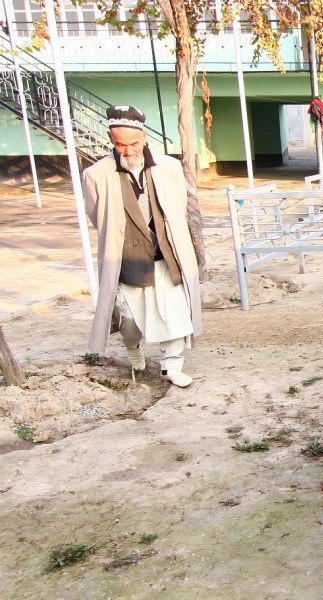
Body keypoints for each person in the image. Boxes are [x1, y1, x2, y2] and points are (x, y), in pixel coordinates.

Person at [82, 105, 203, 388]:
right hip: (128, 258)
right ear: (111, 141)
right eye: (120, 144)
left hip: (165, 254)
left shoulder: (169, 167)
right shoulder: (96, 174)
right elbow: (96, 215)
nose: (127, 150)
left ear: (144, 137)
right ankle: (133, 349)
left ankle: (171, 366)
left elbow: (178, 207)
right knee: (131, 320)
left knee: (174, 313)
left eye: (133, 143)